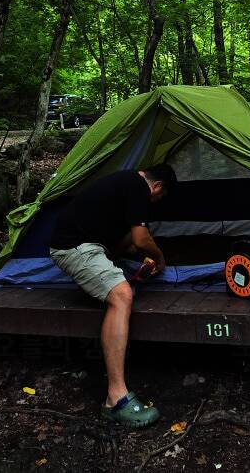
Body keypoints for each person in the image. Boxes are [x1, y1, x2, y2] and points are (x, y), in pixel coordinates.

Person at [49, 163, 177, 428]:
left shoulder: (124, 184)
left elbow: (125, 243)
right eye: (159, 198)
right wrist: (160, 257)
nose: (154, 203)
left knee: (123, 283)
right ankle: (115, 398)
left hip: (86, 244)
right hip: (74, 248)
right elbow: (141, 239)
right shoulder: (138, 187)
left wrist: (132, 252)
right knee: (121, 295)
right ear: (157, 187)